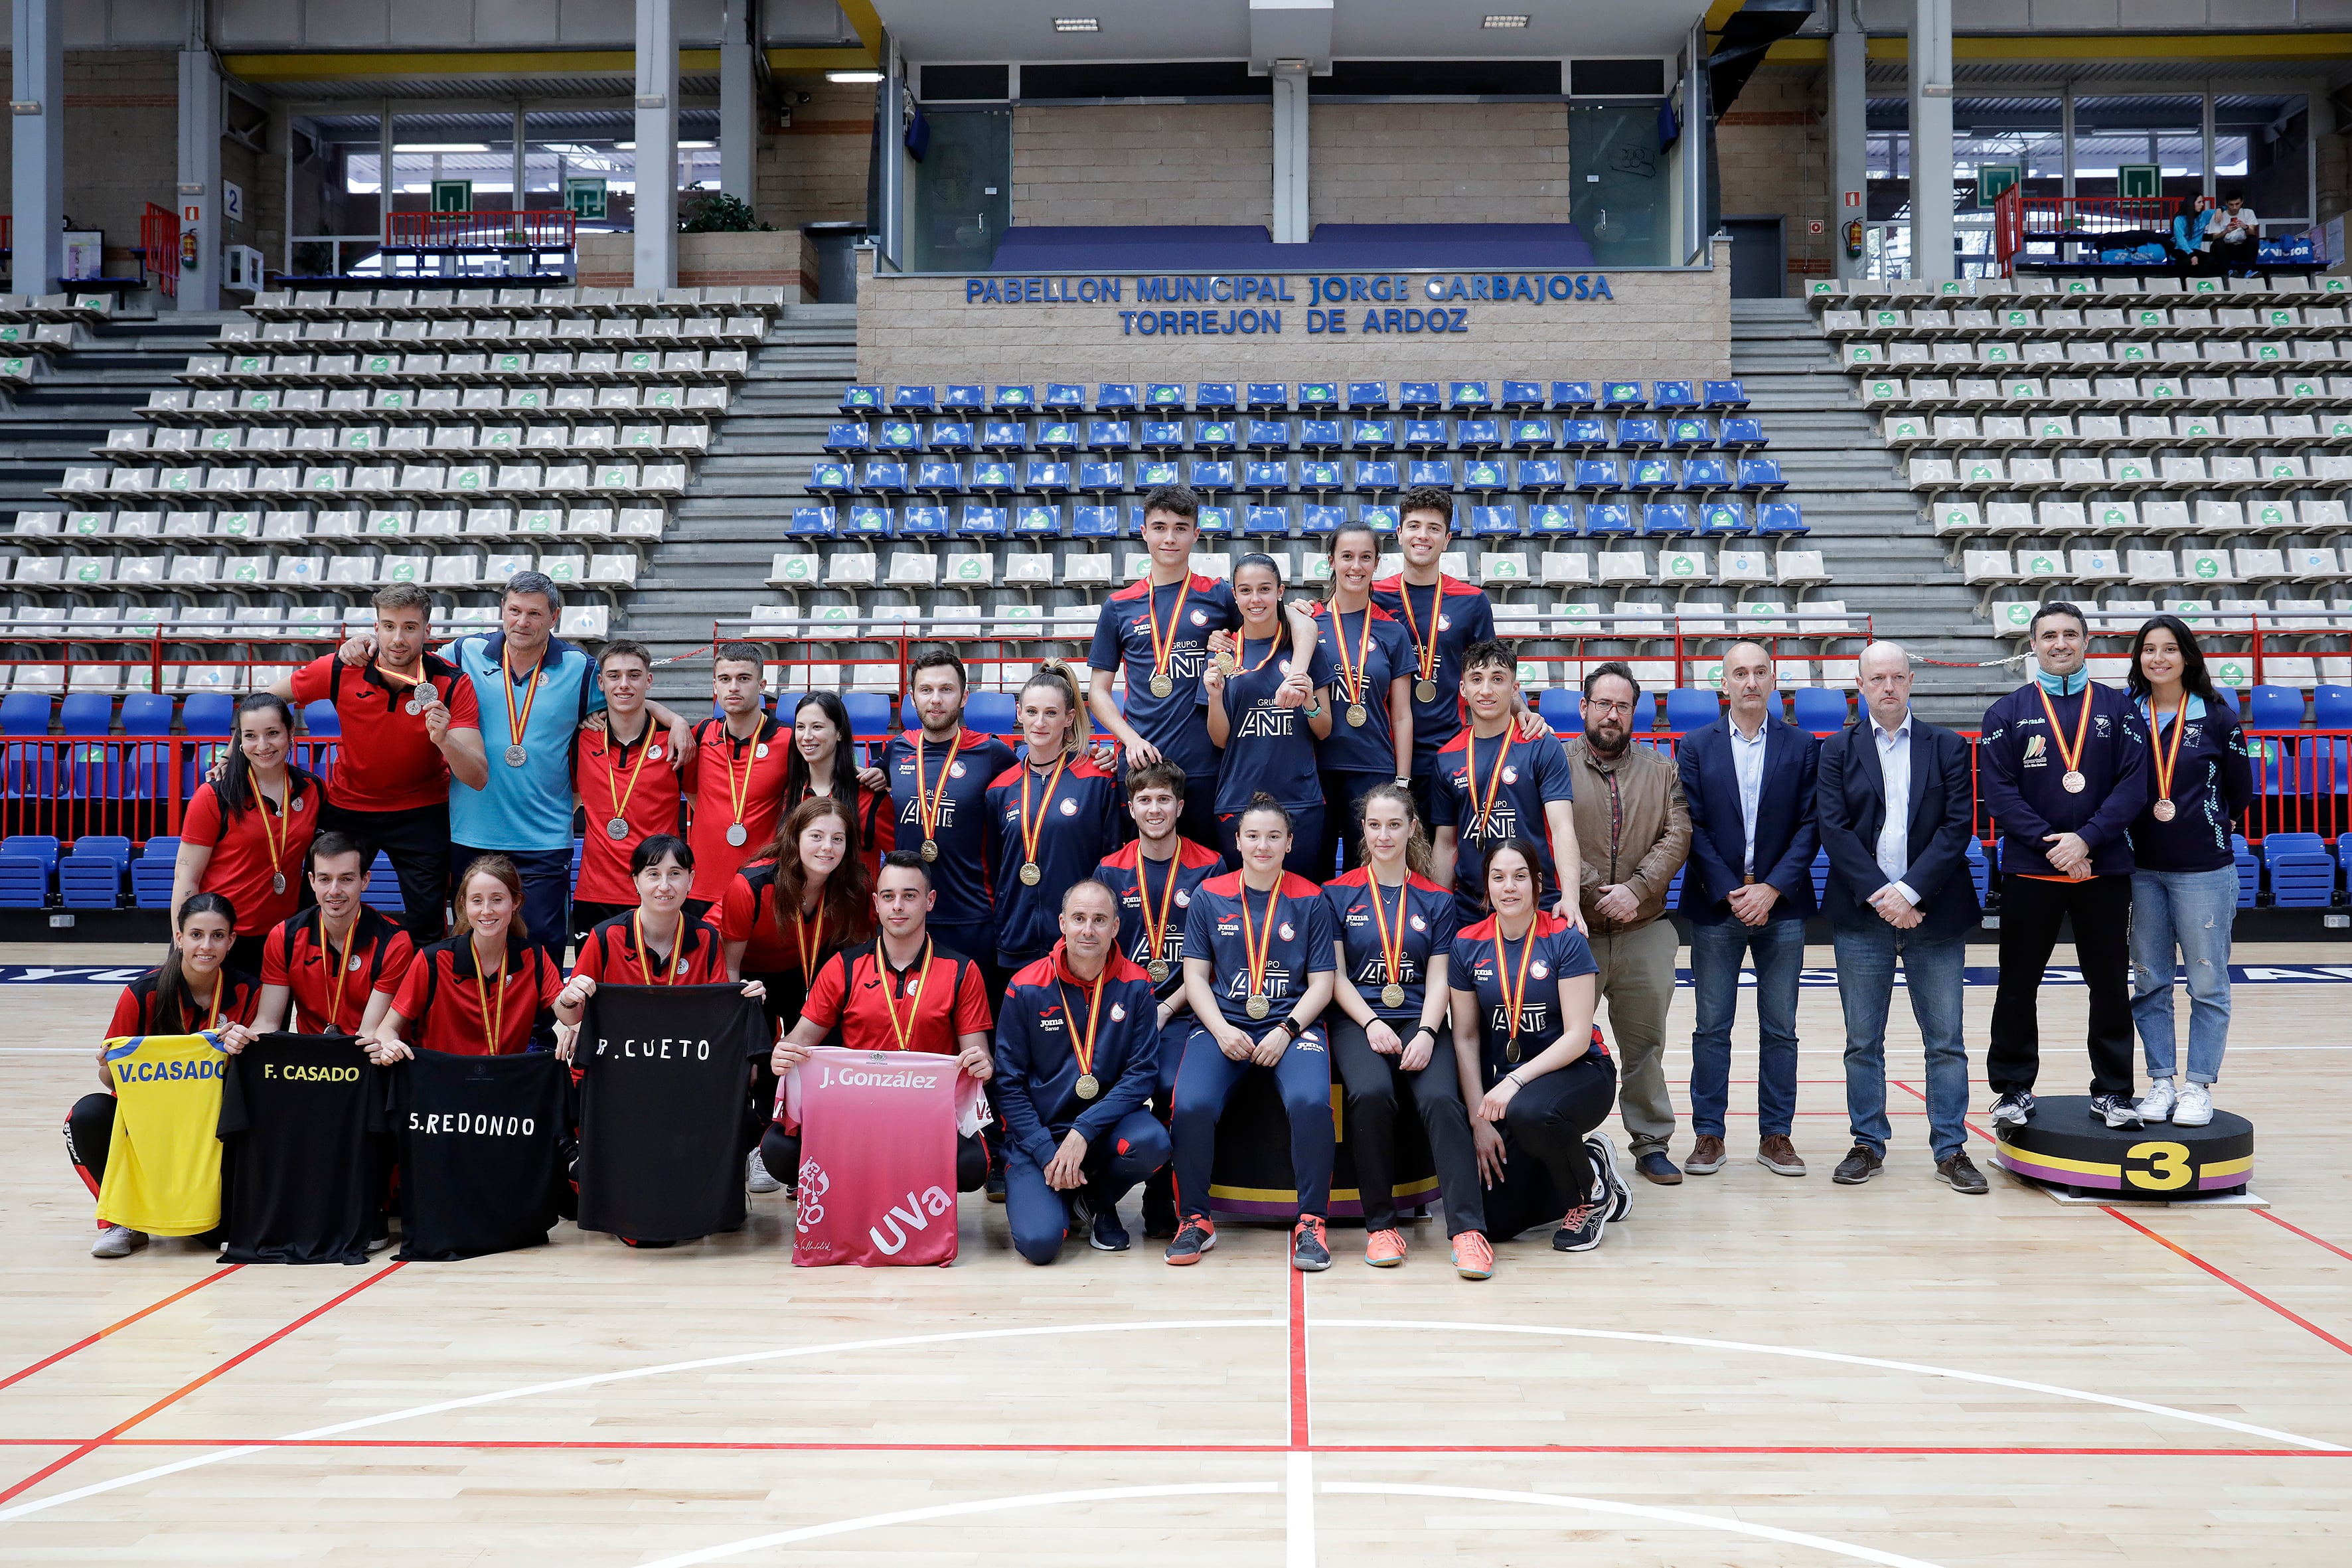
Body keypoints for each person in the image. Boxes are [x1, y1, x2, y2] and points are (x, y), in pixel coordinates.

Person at [339, 574, 697, 963]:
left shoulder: (579, 668)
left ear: (553, 617)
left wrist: (674, 719)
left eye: (534, 614)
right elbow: (405, 652)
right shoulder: (463, 653)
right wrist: (364, 643)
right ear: (502, 612)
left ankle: (541, 1027)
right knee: (470, 947)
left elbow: (625, 694)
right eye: (514, 611)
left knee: (541, 950)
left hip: (543, 839)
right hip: (473, 832)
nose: (522, 622)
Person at [1814, 642, 1988, 1196]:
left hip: (1932, 912)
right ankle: (1867, 1142)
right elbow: (1833, 830)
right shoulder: (1837, 750)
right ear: (1860, 686)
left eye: (1896, 677)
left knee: (1945, 1041)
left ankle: (1950, 1148)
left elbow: (1956, 827)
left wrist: (1909, 892)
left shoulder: (1947, 746)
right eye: (1876, 679)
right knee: (1862, 1041)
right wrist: (1880, 895)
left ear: (1910, 682)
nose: (1887, 687)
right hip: (1862, 915)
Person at [1980, 600, 2150, 1130]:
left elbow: (2133, 786)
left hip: (2102, 870)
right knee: (2017, 982)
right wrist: (2053, 845)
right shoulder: (2005, 713)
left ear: (2085, 643)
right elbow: (1998, 792)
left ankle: (2114, 1092)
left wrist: (2087, 840)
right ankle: (2012, 1088)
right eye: (2048, 635)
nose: (2059, 644)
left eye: (2069, 635)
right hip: (2032, 869)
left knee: (2107, 983)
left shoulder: (2119, 709)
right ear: (2031, 645)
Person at [1088, 483, 1312, 848]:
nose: (1169, 538)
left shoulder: (1221, 594)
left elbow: (1299, 624)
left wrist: (1297, 616)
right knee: (1144, 875)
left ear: (1196, 534)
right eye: (1159, 527)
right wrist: (1129, 739)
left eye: (1180, 527)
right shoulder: (1118, 605)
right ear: (1144, 533)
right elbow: (1098, 691)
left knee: (1208, 874)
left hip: (1210, 764)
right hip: (1146, 766)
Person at [1168, 795, 1339, 1272]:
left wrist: (1286, 1030)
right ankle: (1195, 1220)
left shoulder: (1310, 898)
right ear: (1237, 841)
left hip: (1290, 1026)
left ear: (1289, 843)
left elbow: (1323, 983)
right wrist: (1221, 1031)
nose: (1262, 845)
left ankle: (1311, 1222)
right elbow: (1194, 977)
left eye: (1273, 836)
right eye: (1253, 835)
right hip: (1224, 1026)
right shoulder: (1209, 895)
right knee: (1191, 1104)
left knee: (1309, 1103)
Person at [1323, 784, 1486, 1277]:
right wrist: (1371, 1022)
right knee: (1370, 1094)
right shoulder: (1337, 894)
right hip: (1358, 1019)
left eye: (1394, 824)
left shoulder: (1436, 900)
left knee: (1441, 1099)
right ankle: (1381, 1227)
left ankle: (1467, 1231)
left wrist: (1426, 1032)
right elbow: (1334, 976)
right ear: (1363, 830)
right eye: (1374, 825)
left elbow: (1439, 976)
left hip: (1419, 1017)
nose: (1383, 834)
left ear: (1412, 828)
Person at [765, 852, 997, 1195]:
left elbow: (980, 1059)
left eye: (910, 896)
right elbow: (799, 1042)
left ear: (930, 901)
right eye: (888, 897)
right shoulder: (844, 967)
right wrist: (781, 1056)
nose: (898, 906)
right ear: (875, 904)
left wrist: (982, 1065)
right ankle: (855, 1189)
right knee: (778, 1151)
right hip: (858, 1114)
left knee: (971, 1166)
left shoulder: (961, 971)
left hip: (928, 1116)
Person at [1677, 640, 1820, 1178]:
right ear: (1724, 684)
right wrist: (1734, 890)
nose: (1750, 682)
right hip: (1718, 908)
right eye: (1740, 673)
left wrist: (1771, 889)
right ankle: (1708, 1135)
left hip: (1780, 909)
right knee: (1711, 1027)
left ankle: (1775, 1135)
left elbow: (1812, 825)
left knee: (1779, 1028)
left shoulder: (1804, 745)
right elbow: (1691, 825)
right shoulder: (1694, 746)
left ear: (1773, 679)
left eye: (1760, 672)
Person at [277, 582, 487, 942]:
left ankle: (422, 996)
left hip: (421, 813)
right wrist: (232, 754)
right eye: (389, 626)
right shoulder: (343, 668)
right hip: (348, 808)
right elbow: (266, 701)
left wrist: (445, 740)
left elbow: (478, 776)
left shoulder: (452, 683)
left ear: (427, 631)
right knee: (317, 911)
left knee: (427, 924)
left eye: (409, 627)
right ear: (376, 628)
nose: (398, 638)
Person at [1447, 840, 1625, 1253]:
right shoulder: (1467, 944)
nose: (1509, 887)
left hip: (1581, 1073)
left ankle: (1588, 1199)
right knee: (1494, 1221)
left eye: (1520, 877)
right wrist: (1479, 1122)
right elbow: (1467, 1037)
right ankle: (1591, 1163)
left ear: (1538, 883)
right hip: (1512, 1095)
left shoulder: (1563, 938)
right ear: (1486, 887)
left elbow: (1578, 1036)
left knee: (1532, 1111)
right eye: (1498, 877)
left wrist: (1514, 1081)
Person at [66, 892, 261, 1259]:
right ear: (179, 938)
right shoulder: (142, 994)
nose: (207, 946)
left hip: (214, 1127)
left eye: (218, 936)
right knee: (86, 1115)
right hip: (151, 1125)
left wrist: (241, 1046)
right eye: (197, 935)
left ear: (232, 940)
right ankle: (125, 1220)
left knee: (210, 1237)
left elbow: (257, 1076)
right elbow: (111, 1082)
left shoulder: (248, 992)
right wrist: (107, 1066)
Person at [993, 880, 1172, 1261]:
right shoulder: (1024, 987)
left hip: (1102, 1130)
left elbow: (1141, 1075)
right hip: (1037, 1138)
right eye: (1079, 918)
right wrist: (1045, 1150)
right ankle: (1057, 1188)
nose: (1088, 930)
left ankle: (1094, 1200)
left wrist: (1083, 1132)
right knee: (1040, 1245)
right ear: (1062, 923)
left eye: (1099, 919)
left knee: (1153, 1143)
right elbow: (1008, 1085)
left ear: (1116, 927)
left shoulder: (1138, 986)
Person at [1561, 661, 1691, 1186]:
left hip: (1645, 930)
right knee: (1561, 1043)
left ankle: (1651, 1142)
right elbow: (1553, 832)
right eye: (1602, 704)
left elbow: (1677, 833)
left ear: (1634, 712)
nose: (1611, 714)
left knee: (1645, 1048)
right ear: (1584, 708)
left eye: (1622, 706)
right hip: (1575, 937)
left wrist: (1636, 890)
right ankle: (1559, 1133)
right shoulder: (1555, 762)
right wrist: (1597, 891)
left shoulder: (1662, 771)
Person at [2126, 615, 2252, 1130]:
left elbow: (2239, 792)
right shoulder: (2125, 715)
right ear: (2137, 658)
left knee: (2206, 982)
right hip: (2138, 869)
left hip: (2203, 869)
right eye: (2148, 649)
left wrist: (2204, 824)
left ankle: (2198, 1085)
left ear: (2187, 656)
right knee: (2150, 981)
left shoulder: (2219, 717)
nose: (2158, 658)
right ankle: (2160, 1081)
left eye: (2169, 649)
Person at [1094, 760, 1225, 1237]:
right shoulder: (1110, 869)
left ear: (1180, 806)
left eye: (1163, 799)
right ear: (1130, 808)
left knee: (1174, 1090)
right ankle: (1100, 1200)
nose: (1154, 809)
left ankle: (1158, 1198)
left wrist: (1170, 1006)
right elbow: (1097, 951)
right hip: (1122, 1013)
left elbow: (1219, 954)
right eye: (1144, 800)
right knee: (1100, 1090)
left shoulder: (1209, 866)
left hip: (1185, 1012)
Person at [1371, 486, 1549, 829]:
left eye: (1434, 528)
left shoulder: (1471, 601)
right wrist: (1300, 609)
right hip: (1385, 750)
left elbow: (1493, 670)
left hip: (1448, 749)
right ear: (1399, 533)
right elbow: (1324, 621)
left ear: (1447, 538)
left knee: (1447, 852)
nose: (1423, 536)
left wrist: (1525, 712)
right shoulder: (1374, 596)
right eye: (1414, 526)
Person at [720, 797, 872, 1194]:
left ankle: (815, 1147)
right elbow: (730, 967)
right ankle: (762, 1150)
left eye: (838, 839)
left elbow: (858, 953)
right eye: (817, 836)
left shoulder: (853, 884)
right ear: (794, 838)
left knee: (826, 1046)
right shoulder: (751, 885)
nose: (827, 848)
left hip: (813, 971)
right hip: (753, 977)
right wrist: (741, 1024)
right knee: (763, 1057)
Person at [882, 646, 1018, 977]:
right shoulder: (896, 750)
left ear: (964, 696)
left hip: (972, 916)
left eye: (946, 690)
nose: (936, 700)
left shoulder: (992, 753)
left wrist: (1095, 757)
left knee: (977, 1023)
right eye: (926, 690)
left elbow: (1040, 781)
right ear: (912, 699)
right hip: (908, 917)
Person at [984, 663, 1125, 979]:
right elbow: (995, 866)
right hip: (1015, 939)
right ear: (1019, 714)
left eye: (1051, 713)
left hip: (1080, 942)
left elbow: (1112, 860)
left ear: (1069, 718)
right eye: (1032, 712)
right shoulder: (1000, 788)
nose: (1040, 722)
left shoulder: (1097, 779)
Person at [1429, 641, 1583, 929]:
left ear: (1515, 689)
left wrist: (1571, 898)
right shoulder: (1447, 757)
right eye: (1476, 680)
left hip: (1538, 903)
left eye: (1498, 679)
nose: (1486, 690)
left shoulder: (1541, 746)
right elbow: (1446, 844)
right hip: (1470, 908)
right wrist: (1439, 904)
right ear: (1463, 689)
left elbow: (1563, 828)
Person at [1204, 552, 1336, 874]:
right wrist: (1215, 697)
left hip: (1298, 799)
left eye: (1265, 589)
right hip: (1239, 800)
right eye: (1245, 591)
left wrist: (1308, 702)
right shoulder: (1224, 654)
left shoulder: (1305, 651)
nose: (1255, 599)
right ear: (1234, 595)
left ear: (1281, 591)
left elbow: (1324, 729)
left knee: (1301, 899)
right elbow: (1220, 740)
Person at [173, 693, 322, 977]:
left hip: (279, 940)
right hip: (217, 941)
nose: (262, 746)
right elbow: (186, 878)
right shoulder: (214, 796)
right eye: (251, 736)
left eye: (273, 733)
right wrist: (183, 945)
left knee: (268, 1022)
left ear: (291, 732)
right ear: (239, 741)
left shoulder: (312, 789)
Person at [554, 836, 767, 1034]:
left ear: (690, 880)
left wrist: (745, 1000)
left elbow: (721, 1015)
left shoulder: (707, 937)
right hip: (621, 1064)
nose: (664, 886)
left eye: (675, 874)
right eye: (653, 874)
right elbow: (570, 1018)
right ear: (637, 881)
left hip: (684, 1060)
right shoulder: (606, 936)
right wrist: (568, 1000)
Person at [367, 854, 567, 1062]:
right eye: (477, 900)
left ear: (516, 902)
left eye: (497, 900)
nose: (487, 910)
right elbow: (387, 1028)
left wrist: (570, 1002)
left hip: (505, 1083)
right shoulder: (433, 959)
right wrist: (390, 1044)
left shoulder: (534, 957)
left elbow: (568, 1015)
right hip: (442, 1084)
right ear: (463, 904)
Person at [1313, 522, 1416, 874]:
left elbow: (1402, 714)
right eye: (1347, 557)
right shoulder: (1305, 622)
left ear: (1376, 564)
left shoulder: (1392, 630)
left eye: (1365, 558)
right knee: (1316, 868)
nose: (1355, 566)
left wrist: (1401, 782)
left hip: (1373, 768)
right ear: (1331, 561)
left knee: (1370, 873)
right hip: (1316, 767)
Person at [252, 832, 415, 1038]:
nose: (334, 890)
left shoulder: (394, 943)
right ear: (312, 881)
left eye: (346, 879)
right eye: (325, 879)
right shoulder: (284, 937)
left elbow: (370, 1033)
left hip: (364, 1055)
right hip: (310, 1058)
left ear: (365, 880)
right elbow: (267, 1021)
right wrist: (247, 1040)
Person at [571, 639, 684, 936]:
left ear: (649, 680)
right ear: (600, 682)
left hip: (657, 893)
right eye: (614, 676)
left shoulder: (675, 741)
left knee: (657, 982)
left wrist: (676, 721)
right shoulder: (582, 739)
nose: (624, 685)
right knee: (593, 982)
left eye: (634, 675)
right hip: (595, 893)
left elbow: (701, 808)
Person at [685, 643, 796, 919]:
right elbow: (692, 793)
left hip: (760, 884)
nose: (733, 687)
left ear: (762, 685)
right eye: (725, 679)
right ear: (715, 685)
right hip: (701, 888)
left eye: (743, 679)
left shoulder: (789, 741)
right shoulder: (701, 735)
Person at [782, 686, 896, 885]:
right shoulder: (790, 793)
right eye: (800, 727)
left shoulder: (869, 796)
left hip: (853, 912)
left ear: (840, 733)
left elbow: (900, 861)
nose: (806, 736)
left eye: (817, 727)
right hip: (800, 912)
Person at [2206, 191, 2260, 277]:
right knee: (2217, 244)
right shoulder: (2219, 216)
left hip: (2242, 247)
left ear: (2242, 202)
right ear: (2226, 204)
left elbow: (2253, 233)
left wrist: (2245, 227)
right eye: (2231, 205)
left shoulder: (2248, 213)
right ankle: (2230, 271)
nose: (2234, 207)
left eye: (2237, 204)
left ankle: (2248, 271)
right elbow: (2214, 238)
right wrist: (2226, 231)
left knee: (2253, 240)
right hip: (2226, 249)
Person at [2169, 194, 2215, 277]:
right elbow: (2180, 240)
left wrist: (2220, 209)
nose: (2202, 205)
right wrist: (2191, 254)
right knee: (2187, 261)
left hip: (2195, 250)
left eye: (2203, 202)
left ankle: (2196, 281)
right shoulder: (2179, 219)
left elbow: (2226, 209)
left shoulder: (2204, 216)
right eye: (2199, 202)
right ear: (2191, 203)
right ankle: (2185, 285)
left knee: (2210, 259)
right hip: (2180, 250)